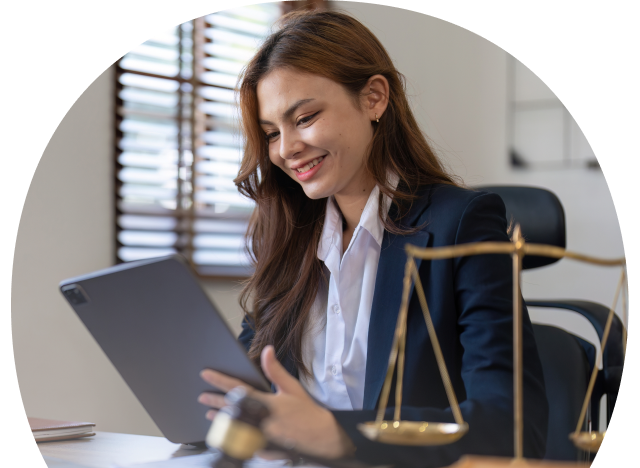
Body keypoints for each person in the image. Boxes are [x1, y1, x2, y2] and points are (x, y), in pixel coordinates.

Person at [198, 9, 548, 468]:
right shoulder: (288, 237)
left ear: (374, 98)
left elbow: (511, 424)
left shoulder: (460, 222)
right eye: (271, 133)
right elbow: (257, 385)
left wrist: (340, 434)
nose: (286, 149)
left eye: (304, 117)